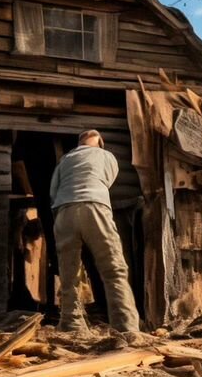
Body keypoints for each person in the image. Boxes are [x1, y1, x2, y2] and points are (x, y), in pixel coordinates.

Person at [50, 129, 140, 335]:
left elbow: (53, 191)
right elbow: (107, 179)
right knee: (113, 269)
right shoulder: (106, 156)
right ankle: (125, 327)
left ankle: (71, 324)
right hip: (95, 207)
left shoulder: (64, 160)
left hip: (64, 211)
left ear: (79, 143)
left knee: (69, 273)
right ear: (100, 144)